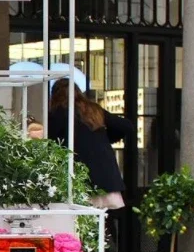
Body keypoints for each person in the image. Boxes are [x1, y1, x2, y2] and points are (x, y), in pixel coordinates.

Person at [47, 79, 133, 210]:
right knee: (106, 223)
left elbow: (51, 142)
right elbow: (126, 126)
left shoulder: (57, 113)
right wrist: (104, 139)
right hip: (105, 175)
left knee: (81, 222)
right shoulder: (93, 110)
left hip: (81, 176)